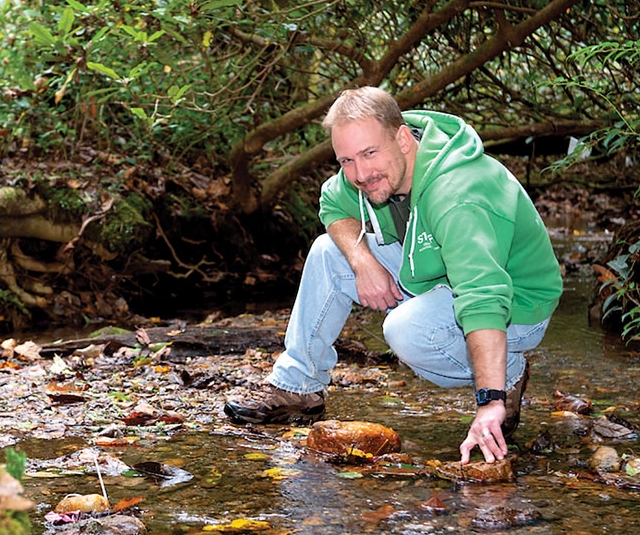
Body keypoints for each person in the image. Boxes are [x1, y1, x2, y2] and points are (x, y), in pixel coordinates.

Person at [224, 86, 563, 464]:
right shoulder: (372, 171)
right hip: (434, 273)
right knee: (327, 250)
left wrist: (489, 401)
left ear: (403, 138)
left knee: (407, 330)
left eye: (369, 154)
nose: (361, 174)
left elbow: (482, 296)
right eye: (347, 161)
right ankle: (298, 386)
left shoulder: (457, 194)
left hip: (516, 305)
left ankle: (509, 372)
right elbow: (333, 205)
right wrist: (362, 260)